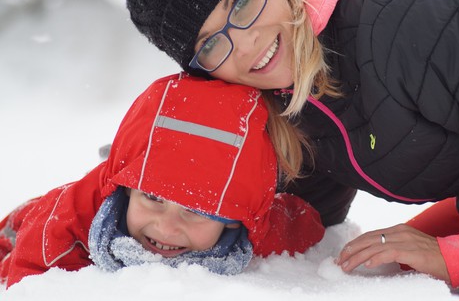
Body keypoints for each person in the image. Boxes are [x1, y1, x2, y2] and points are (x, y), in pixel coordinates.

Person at [123, 0, 459, 295]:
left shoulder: (407, 24)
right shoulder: (288, 98)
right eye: (209, 45)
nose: (247, 42)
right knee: (386, 270)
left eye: (241, 2)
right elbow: (303, 213)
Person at [0, 73, 324, 287]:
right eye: (153, 199)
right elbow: (28, 288)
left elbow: (302, 224)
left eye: (196, 210)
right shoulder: (61, 227)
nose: (166, 228)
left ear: (233, 220)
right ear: (127, 190)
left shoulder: (253, 229)